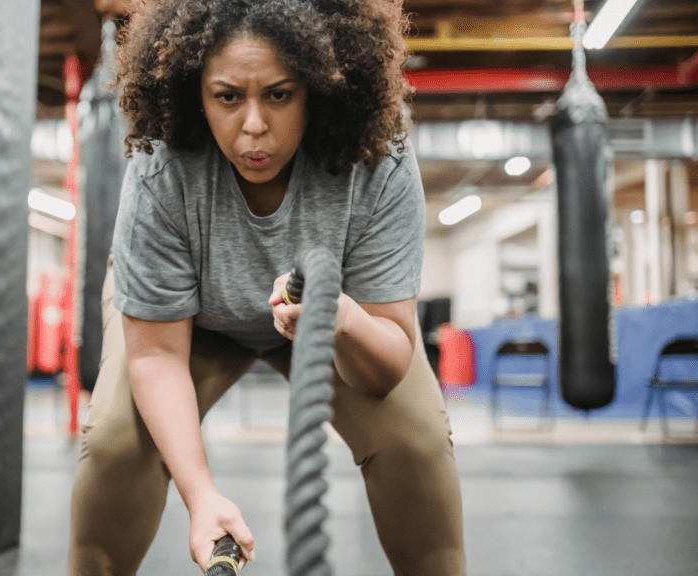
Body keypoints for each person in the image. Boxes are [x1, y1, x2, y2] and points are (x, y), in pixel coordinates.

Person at [67, 1, 467, 574]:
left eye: (279, 94)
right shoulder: (162, 165)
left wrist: (345, 320)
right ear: (194, 92)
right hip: (190, 326)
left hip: (334, 322)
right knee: (114, 445)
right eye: (227, 96)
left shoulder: (379, 159)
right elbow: (155, 356)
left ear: (318, 88)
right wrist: (201, 496)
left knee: (418, 442)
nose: (253, 126)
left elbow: (385, 366)